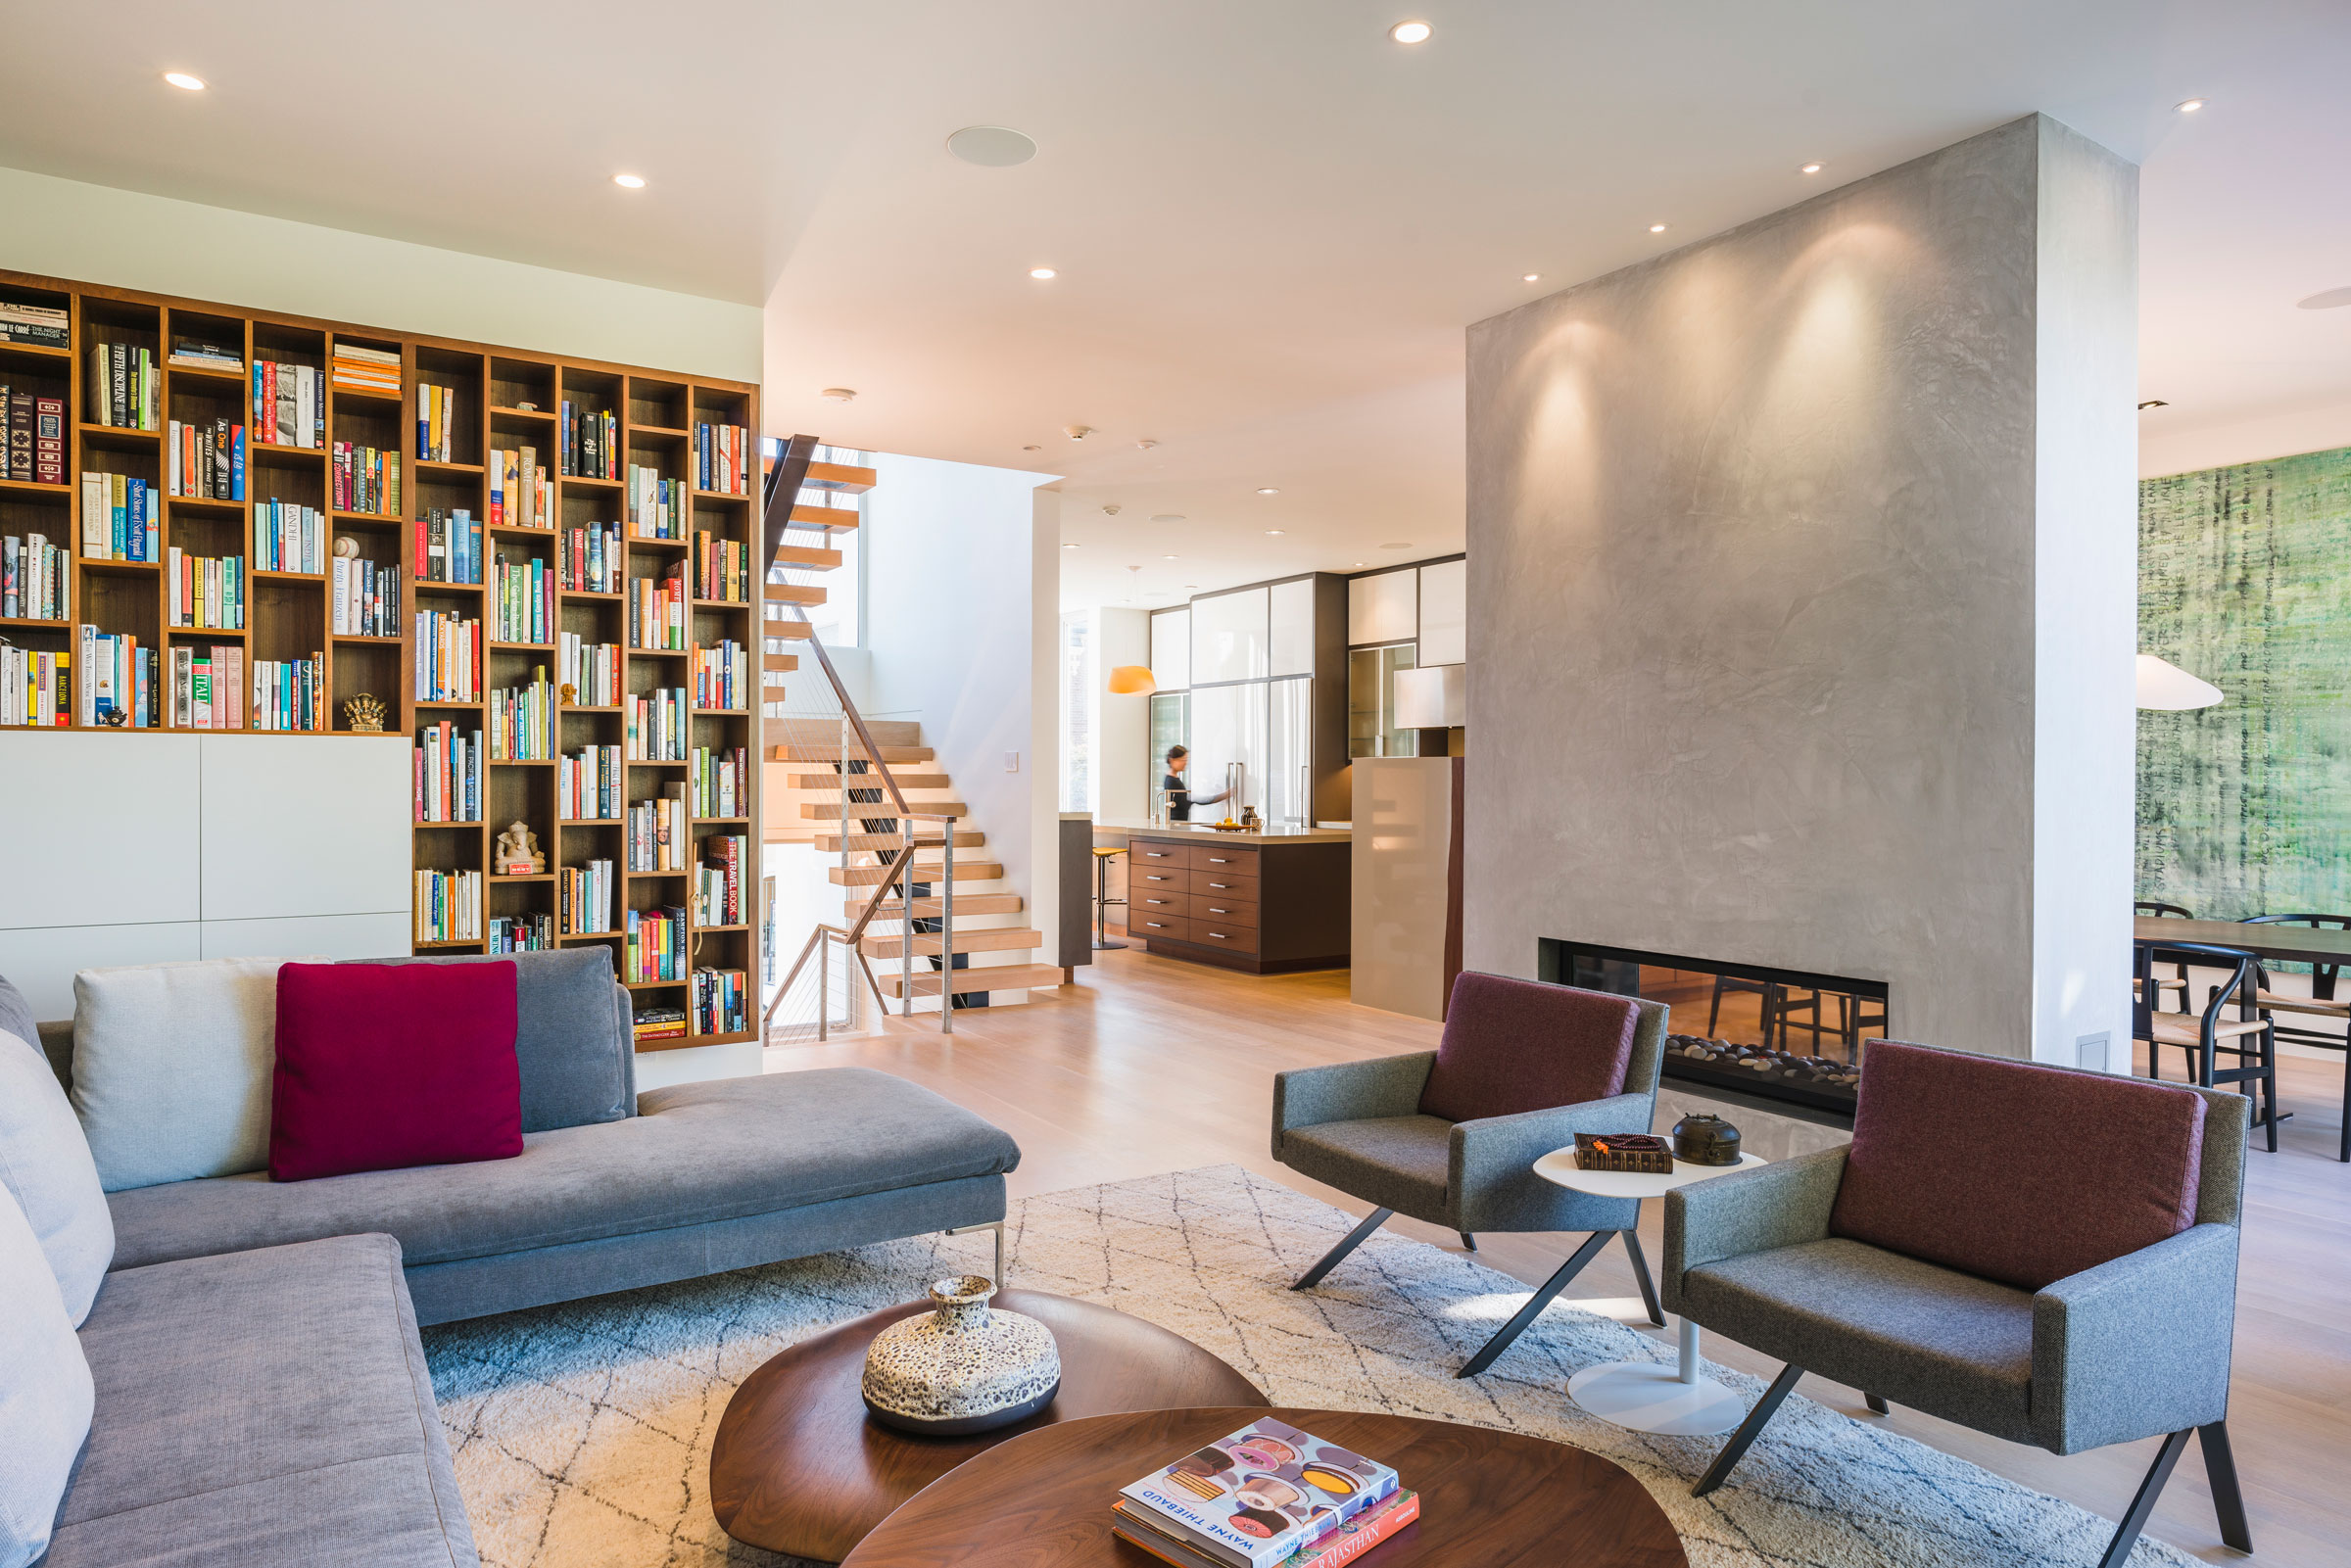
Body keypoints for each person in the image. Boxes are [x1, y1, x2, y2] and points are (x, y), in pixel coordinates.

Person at [1163, 744, 1228, 824]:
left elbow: (1188, 801)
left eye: (1186, 760)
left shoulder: (1173, 779)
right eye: (1182, 760)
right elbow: (1186, 803)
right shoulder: (1171, 781)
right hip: (1176, 824)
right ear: (1172, 760)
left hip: (1178, 823)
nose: (1185, 763)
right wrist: (1222, 796)